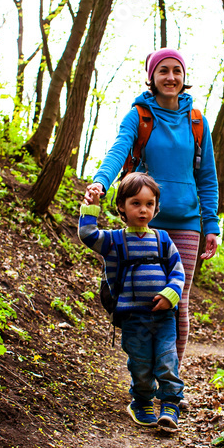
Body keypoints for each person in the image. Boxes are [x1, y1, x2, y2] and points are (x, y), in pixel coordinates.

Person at [85, 47, 219, 373]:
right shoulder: (140, 116)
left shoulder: (197, 121)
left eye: (176, 70)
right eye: (163, 71)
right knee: (146, 299)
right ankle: (145, 374)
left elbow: (207, 177)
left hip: (187, 223)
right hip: (144, 223)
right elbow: (119, 148)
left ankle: (170, 381)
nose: (170, 77)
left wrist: (211, 224)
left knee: (178, 301)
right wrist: (101, 181)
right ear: (152, 77)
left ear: (184, 76)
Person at [78, 172, 186, 431]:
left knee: (167, 359)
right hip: (132, 317)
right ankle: (142, 402)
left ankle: (171, 406)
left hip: (163, 317)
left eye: (149, 204)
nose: (143, 210)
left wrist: (171, 295)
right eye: (135, 203)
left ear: (156, 207)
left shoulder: (163, 239)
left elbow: (178, 271)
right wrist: (91, 204)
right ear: (121, 207)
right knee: (141, 364)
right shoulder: (114, 241)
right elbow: (88, 234)